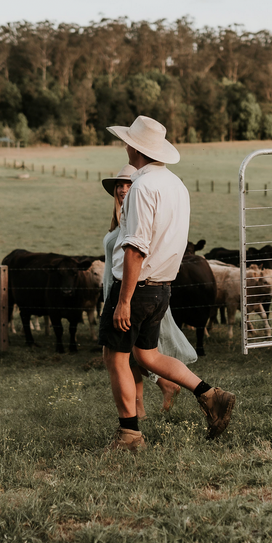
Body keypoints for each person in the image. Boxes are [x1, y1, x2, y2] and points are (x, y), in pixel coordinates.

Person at [99, 116, 236, 452]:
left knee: (115, 357)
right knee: (147, 354)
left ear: (135, 147)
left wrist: (124, 300)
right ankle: (210, 395)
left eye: (128, 141)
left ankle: (129, 435)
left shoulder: (142, 187)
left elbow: (135, 248)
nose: (126, 145)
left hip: (137, 285)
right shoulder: (176, 185)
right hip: (162, 286)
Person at [101, 164, 191, 418]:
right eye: (119, 185)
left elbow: (138, 252)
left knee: (131, 355)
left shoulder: (139, 215)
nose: (122, 189)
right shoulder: (120, 219)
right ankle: (145, 406)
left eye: (128, 184)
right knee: (132, 355)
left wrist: (125, 299)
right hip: (118, 291)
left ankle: (150, 403)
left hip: (132, 292)